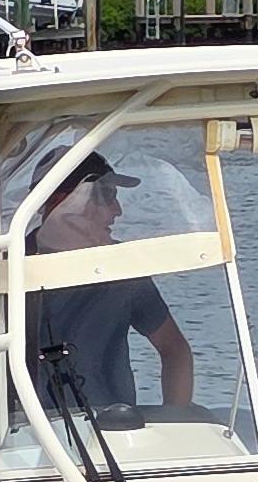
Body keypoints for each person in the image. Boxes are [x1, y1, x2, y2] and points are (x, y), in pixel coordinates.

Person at [22, 150, 194, 412]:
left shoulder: (123, 268)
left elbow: (175, 350)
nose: (118, 210)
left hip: (116, 438)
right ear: (64, 202)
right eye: (107, 196)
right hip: (28, 443)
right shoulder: (4, 269)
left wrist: (177, 420)